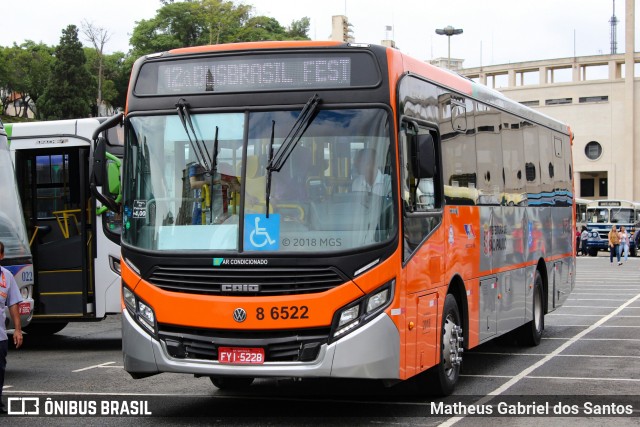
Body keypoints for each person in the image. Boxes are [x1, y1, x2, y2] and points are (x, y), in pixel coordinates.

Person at [0, 241, 24, 414]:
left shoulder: (6, 276)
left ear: (1, 256)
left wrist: (17, 329)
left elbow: (13, 303)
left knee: (0, 370)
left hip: (0, 335)